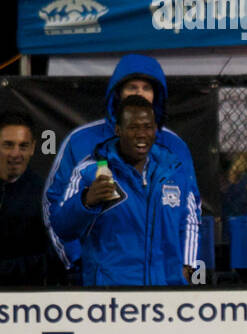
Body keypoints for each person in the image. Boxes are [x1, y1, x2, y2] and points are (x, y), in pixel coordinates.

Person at [43, 54, 198, 280]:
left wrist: (186, 265)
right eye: (132, 87)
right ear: (117, 93)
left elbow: (191, 210)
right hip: (108, 287)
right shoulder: (82, 144)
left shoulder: (174, 150)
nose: (139, 93)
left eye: (146, 88)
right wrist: (76, 259)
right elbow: (55, 205)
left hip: (165, 285)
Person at [1, 109, 63, 286]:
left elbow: (54, 258)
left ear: (33, 148)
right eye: (8, 145)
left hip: (27, 303)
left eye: (23, 146)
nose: (15, 154)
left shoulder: (46, 194)